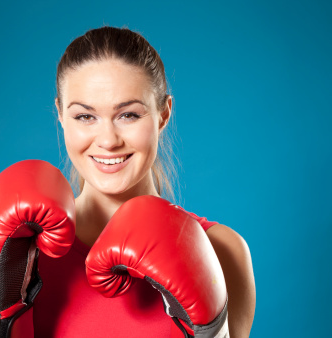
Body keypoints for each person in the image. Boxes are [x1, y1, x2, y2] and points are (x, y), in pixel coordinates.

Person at [33, 26, 256, 337]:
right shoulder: (22, 251)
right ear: (60, 115)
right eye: (85, 117)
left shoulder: (222, 250)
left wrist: (211, 330)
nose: (108, 140)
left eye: (129, 115)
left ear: (163, 114)